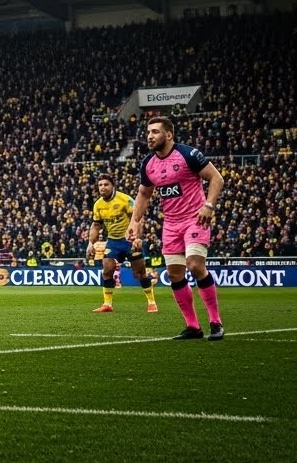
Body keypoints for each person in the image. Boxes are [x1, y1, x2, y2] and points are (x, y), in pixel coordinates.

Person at [127, 117, 225, 341]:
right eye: (148, 132)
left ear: (168, 135)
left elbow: (216, 179)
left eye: (155, 132)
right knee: (174, 274)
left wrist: (209, 206)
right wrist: (135, 221)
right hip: (171, 224)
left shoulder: (188, 154)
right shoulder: (148, 164)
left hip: (195, 219)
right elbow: (144, 193)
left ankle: (215, 322)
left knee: (195, 265)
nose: (150, 136)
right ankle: (193, 327)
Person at [86, 175, 156, 313]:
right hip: (113, 241)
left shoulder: (125, 200)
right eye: (100, 185)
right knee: (107, 270)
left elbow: (137, 219)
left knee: (140, 273)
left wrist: (137, 238)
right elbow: (96, 225)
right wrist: (90, 243)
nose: (102, 187)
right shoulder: (98, 205)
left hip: (129, 241)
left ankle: (151, 302)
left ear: (113, 186)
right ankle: (107, 304)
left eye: (106, 184)